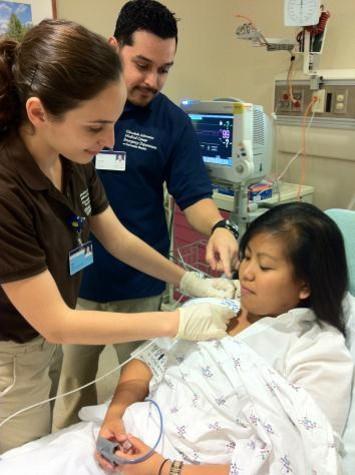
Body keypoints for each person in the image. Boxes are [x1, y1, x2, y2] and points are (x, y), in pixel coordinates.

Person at [0, 19, 237, 453]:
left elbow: (115, 236)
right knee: (24, 453)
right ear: (38, 113)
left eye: (111, 123)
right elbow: (56, 323)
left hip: (46, 336)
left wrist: (186, 281)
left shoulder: (71, 154)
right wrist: (177, 322)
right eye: (95, 128)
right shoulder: (7, 189)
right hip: (12, 355)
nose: (109, 141)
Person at [1, 202, 352, 474]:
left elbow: (302, 459)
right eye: (245, 257)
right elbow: (144, 361)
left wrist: (162, 468)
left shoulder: (317, 351)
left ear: (305, 285)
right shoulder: (215, 311)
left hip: (191, 462)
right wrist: (116, 414)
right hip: (129, 435)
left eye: (264, 266)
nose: (245, 273)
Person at [58, 0, 240, 428]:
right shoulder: (77, 112)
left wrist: (218, 227)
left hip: (140, 285)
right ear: (112, 47)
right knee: (69, 395)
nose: (151, 80)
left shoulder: (171, 123)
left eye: (164, 69)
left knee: (139, 396)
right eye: (141, 64)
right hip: (75, 284)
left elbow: (193, 195)